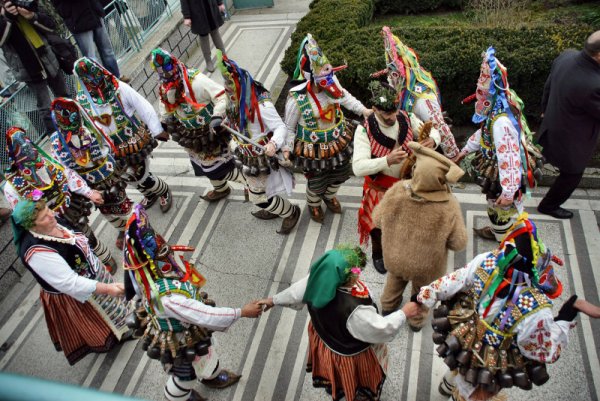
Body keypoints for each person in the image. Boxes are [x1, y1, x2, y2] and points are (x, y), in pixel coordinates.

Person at [417, 214, 578, 401]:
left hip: (468, 330)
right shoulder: (536, 307)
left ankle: (448, 384)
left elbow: (454, 281)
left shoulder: (489, 260)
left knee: (462, 360)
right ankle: (458, 395)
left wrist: (424, 296)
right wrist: (564, 320)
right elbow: (538, 349)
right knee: (481, 383)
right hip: (497, 353)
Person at [123, 204, 263, 401]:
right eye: (163, 252)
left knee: (207, 352)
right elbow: (204, 314)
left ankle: (212, 376)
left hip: (193, 331)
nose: (169, 253)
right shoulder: (167, 298)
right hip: (179, 339)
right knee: (185, 376)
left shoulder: (153, 279)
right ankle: (178, 397)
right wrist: (241, 312)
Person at [258, 246, 422, 401]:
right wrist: (404, 313)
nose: (359, 274)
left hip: (326, 340)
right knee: (353, 376)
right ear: (345, 278)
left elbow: (294, 293)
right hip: (349, 352)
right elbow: (380, 328)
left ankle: (335, 384)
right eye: (356, 271)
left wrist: (273, 300)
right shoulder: (354, 311)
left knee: (333, 368)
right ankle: (356, 392)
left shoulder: (317, 279)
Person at [11, 199, 131, 365]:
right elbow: (70, 283)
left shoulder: (53, 222)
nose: (51, 215)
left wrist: (97, 265)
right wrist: (107, 289)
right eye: (44, 217)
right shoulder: (36, 252)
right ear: (31, 226)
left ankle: (125, 320)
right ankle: (118, 333)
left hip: (93, 274)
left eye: (48, 210)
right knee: (99, 316)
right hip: (77, 291)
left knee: (115, 303)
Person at [373, 141, 467, 330]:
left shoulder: (398, 190)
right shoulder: (448, 207)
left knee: (394, 281)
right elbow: (459, 243)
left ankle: (388, 308)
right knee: (422, 295)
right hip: (427, 267)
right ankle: (415, 322)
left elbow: (377, 220)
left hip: (395, 258)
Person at [353, 80, 440, 274]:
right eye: (386, 114)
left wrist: (433, 139)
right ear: (374, 109)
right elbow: (358, 167)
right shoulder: (363, 130)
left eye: (394, 111)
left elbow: (432, 129)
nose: (392, 117)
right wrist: (387, 160)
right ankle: (378, 254)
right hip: (380, 189)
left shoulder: (406, 117)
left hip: (407, 184)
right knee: (377, 226)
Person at [3, 126, 117, 271]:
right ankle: (89, 269)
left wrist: (88, 192)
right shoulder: (12, 186)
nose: (27, 149)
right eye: (21, 147)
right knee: (68, 248)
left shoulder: (47, 162)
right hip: (47, 221)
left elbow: (68, 175)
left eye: (27, 143)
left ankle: (105, 258)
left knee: (87, 234)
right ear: (14, 154)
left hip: (69, 209)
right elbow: (22, 213)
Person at [286, 33, 371, 224]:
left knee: (341, 174)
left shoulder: (331, 82)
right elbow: (289, 128)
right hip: (312, 148)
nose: (330, 82)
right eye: (323, 78)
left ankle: (329, 195)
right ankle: (314, 203)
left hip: (337, 139)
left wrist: (364, 110)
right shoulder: (296, 98)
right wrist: (286, 148)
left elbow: (344, 97)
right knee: (316, 181)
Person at [454, 47, 536, 242]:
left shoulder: (501, 122)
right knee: (497, 204)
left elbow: (509, 156)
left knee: (500, 206)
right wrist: (464, 151)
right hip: (500, 170)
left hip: (503, 175)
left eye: (482, 90)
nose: (479, 92)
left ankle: (503, 240)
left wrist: (508, 191)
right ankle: (502, 231)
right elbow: (484, 133)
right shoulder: (500, 106)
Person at [217, 50, 301, 234]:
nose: (228, 91)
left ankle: (290, 211)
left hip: (260, 157)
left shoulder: (262, 106)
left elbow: (281, 128)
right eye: (226, 87)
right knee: (258, 190)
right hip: (244, 154)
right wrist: (219, 117)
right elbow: (226, 109)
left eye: (231, 87)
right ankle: (277, 206)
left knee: (258, 198)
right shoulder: (233, 101)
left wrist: (273, 144)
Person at [74, 57, 172, 212]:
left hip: (132, 140)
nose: (94, 82)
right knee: (126, 176)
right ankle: (150, 195)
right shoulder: (82, 100)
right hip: (111, 148)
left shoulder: (118, 88)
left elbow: (142, 105)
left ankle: (163, 191)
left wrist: (157, 129)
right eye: (88, 80)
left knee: (141, 174)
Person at [151, 48, 243, 202]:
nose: (166, 75)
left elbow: (221, 96)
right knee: (204, 165)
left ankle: (250, 183)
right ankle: (221, 189)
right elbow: (165, 105)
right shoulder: (164, 86)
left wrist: (217, 116)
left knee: (219, 167)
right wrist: (163, 123)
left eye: (168, 70)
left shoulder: (197, 81)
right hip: (191, 135)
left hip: (210, 131)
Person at [50, 97, 133, 250]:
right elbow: (65, 170)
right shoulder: (56, 143)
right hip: (87, 182)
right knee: (105, 209)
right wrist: (86, 191)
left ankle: (134, 228)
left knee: (122, 205)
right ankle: (123, 229)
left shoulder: (90, 129)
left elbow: (107, 144)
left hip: (106, 175)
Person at [536, 31, 600, 219]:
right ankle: (548, 206)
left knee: (540, 157)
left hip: (552, 122)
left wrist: (544, 109)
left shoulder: (567, 56)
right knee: (572, 174)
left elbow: (548, 85)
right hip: (573, 137)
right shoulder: (594, 84)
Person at [374, 26, 460, 160]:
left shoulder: (422, 99)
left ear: (405, 73)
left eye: (394, 74)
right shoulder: (401, 87)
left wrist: (453, 159)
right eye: (390, 73)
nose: (391, 78)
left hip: (430, 154)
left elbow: (440, 127)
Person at [0, 0, 69, 137]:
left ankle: (77, 125)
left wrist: (31, 16)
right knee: (45, 106)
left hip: (47, 56)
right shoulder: (3, 15)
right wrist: (7, 18)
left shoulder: (24, 3)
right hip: (27, 66)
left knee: (64, 95)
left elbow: (51, 25)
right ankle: (57, 139)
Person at [51, 0, 125, 80]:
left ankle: (116, 79)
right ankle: (104, 86)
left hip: (94, 12)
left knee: (107, 51)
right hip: (78, 20)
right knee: (91, 59)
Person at [181, 0, 226, 73]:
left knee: (215, 32)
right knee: (203, 36)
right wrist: (186, 16)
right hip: (197, 11)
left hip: (211, 6)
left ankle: (224, 57)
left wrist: (220, 3)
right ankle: (208, 61)